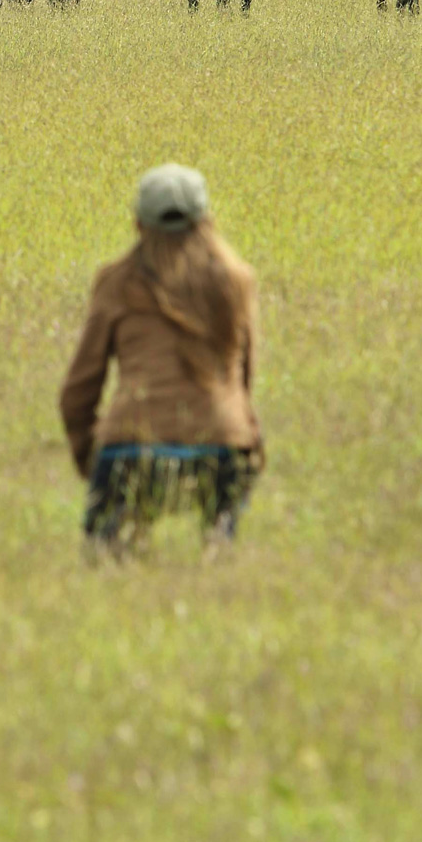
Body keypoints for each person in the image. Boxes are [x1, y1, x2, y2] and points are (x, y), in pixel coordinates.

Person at [58, 164, 266, 554]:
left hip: (132, 445)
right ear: (208, 221)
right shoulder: (237, 281)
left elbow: (78, 390)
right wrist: (243, 433)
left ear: (138, 225)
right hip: (223, 443)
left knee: (107, 559)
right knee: (219, 550)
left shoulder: (116, 282)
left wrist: (91, 458)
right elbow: (244, 377)